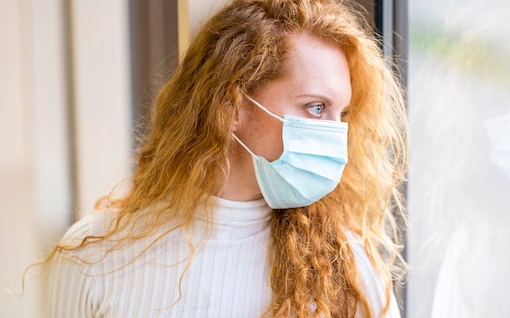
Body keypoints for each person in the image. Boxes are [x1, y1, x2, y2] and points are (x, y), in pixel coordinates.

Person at [43, 0, 408, 317]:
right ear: (233, 105)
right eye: (315, 107)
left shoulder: (350, 268)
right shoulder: (92, 258)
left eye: (341, 114)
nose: (335, 136)